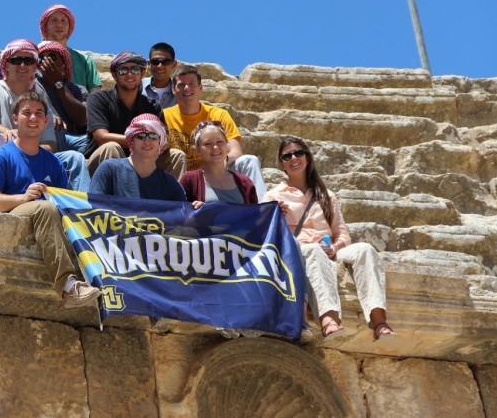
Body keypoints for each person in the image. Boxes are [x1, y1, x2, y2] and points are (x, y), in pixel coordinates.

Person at [265, 136, 396, 341]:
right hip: (300, 250)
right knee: (313, 250)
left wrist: (335, 247)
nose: (293, 158)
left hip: (330, 250)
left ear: (307, 158)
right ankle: (328, 319)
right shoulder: (273, 196)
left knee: (366, 250)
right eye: (287, 155)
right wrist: (274, 215)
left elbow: (342, 232)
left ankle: (379, 320)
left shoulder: (326, 195)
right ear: (282, 163)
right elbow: (267, 234)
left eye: (298, 153)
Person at [0, 91, 100, 307]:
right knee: (44, 208)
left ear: (46, 121)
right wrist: (24, 197)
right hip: (11, 218)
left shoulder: (53, 163)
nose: (33, 118)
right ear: (15, 118)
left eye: (39, 113)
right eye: (27, 113)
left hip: (45, 223)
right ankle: (68, 286)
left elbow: (63, 203)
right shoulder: (1, 155)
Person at [0, 39, 90, 192]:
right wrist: (3, 130)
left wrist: (29, 150)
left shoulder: (39, 94)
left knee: (74, 158)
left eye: (28, 60)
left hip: (34, 160)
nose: (23, 65)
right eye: (16, 60)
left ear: (35, 66)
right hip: (1, 161)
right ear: (6, 65)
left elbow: (50, 144)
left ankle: (82, 210)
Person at [163, 64, 266, 199]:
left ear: (201, 88)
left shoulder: (219, 115)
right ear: (173, 90)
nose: (187, 88)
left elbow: (235, 151)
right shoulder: (164, 116)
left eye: (191, 84)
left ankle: (264, 211)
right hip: (183, 177)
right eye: (181, 85)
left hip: (218, 170)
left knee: (249, 160)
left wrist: (215, 163)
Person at [85, 51, 185, 179]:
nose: (130, 74)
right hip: (102, 164)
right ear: (114, 75)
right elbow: (101, 136)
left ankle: (168, 197)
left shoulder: (152, 105)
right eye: (123, 70)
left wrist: (145, 146)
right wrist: (141, 142)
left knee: (177, 155)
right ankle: (110, 197)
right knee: (111, 147)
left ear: (142, 73)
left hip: (141, 161)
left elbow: (163, 140)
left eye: (135, 69)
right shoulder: (99, 98)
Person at [90, 114, 185, 201]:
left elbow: (183, 214)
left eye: (153, 136)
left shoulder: (170, 183)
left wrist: (198, 208)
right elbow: (95, 207)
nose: (147, 141)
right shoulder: (109, 170)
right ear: (131, 141)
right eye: (141, 136)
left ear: (160, 143)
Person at [179, 122, 258, 208]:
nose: (215, 147)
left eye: (220, 142)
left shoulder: (245, 182)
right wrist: (196, 212)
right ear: (197, 150)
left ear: (227, 145)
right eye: (207, 144)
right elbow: (179, 214)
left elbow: (255, 216)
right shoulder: (190, 180)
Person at [37, 40, 89, 155]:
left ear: (64, 65)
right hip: (48, 136)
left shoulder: (78, 90)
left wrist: (58, 83)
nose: (46, 61)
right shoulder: (33, 84)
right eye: (41, 58)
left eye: (52, 57)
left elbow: (83, 118)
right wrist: (50, 117)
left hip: (74, 139)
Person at [38, 4, 102, 92]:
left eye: (63, 21)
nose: (59, 24)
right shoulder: (34, 56)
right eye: (54, 20)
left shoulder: (85, 60)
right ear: (45, 26)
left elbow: (96, 93)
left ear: (69, 27)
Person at [141, 42, 178, 109]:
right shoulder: (138, 87)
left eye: (165, 62)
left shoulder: (181, 91)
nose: (160, 66)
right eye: (155, 62)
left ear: (174, 64)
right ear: (149, 64)